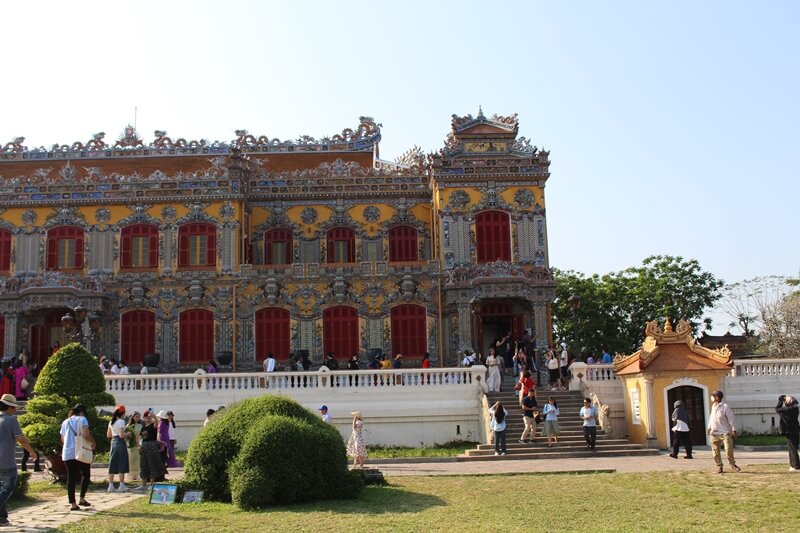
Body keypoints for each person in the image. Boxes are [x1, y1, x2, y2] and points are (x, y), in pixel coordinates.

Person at [0, 394, 37, 525]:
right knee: (8, 487)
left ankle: (2, 517)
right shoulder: (11, 420)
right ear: (9, 407)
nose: (15, 410)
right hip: (6, 461)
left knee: (1, 488)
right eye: (14, 408)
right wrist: (32, 451)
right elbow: (21, 439)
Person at [59, 403, 95, 511]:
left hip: (68, 452)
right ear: (82, 412)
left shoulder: (65, 422)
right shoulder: (82, 419)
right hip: (80, 451)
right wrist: (93, 442)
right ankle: (82, 498)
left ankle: (73, 503)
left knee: (71, 478)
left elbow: (62, 439)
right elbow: (85, 434)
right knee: (86, 474)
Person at [707, 390, 740, 474]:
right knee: (715, 451)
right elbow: (711, 418)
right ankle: (719, 466)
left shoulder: (725, 407)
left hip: (724, 431)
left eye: (713, 396)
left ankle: (732, 464)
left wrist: (734, 429)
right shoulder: (713, 406)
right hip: (714, 432)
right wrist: (709, 427)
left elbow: (731, 418)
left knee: (728, 449)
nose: (712, 398)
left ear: (717, 397)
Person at [139, 411, 165, 490]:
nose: (148, 417)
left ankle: (152, 484)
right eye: (146, 416)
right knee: (143, 464)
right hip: (144, 446)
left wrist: (154, 416)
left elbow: (156, 423)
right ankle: (143, 484)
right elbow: (141, 438)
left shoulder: (153, 425)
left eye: (149, 416)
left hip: (152, 446)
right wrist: (139, 446)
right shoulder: (143, 427)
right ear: (143, 418)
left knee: (152, 464)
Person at [106, 405, 130, 493]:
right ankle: (121, 485)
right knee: (122, 462)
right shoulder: (121, 421)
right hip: (120, 442)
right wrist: (128, 434)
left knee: (112, 462)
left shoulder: (111, 422)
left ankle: (111, 485)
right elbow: (121, 435)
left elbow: (108, 435)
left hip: (113, 442)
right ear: (122, 413)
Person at [775, 395, 800, 471]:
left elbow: (777, 409)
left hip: (789, 431)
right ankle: (792, 465)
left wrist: (781, 399)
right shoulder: (795, 409)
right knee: (793, 448)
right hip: (795, 430)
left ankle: (796, 466)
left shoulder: (787, 410)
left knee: (792, 449)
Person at [124, 412, 143, 487]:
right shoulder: (128, 426)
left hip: (138, 444)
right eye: (136, 417)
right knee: (130, 460)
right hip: (130, 446)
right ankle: (130, 475)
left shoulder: (140, 425)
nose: (137, 418)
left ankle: (137, 475)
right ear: (133, 417)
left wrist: (140, 443)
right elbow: (125, 435)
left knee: (137, 460)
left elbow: (141, 435)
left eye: (139, 417)